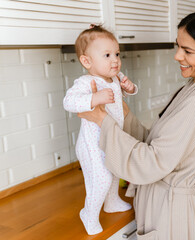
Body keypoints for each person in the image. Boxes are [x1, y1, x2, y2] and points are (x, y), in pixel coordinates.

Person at [78, 9, 195, 239]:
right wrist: (119, 108)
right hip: (166, 205)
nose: (177, 56)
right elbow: (156, 144)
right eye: (177, 46)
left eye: (187, 51)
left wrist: (102, 119)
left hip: (169, 214)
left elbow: (151, 162)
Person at [63, 25, 137, 235]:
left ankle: (111, 202)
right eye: (107, 55)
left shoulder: (115, 78)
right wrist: (95, 98)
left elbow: (126, 92)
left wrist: (130, 89)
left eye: (117, 54)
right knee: (101, 178)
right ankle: (89, 213)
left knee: (114, 171)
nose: (115, 60)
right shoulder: (86, 82)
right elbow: (69, 102)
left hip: (111, 139)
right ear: (87, 61)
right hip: (91, 144)